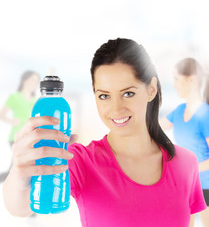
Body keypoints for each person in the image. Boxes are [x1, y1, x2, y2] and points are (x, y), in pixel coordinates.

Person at [3, 39, 206, 226]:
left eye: (128, 93)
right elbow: (19, 206)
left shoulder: (186, 163)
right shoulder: (80, 160)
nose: (116, 109)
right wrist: (19, 172)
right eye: (104, 96)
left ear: (151, 89)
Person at [160, 58, 209, 227]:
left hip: (205, 186)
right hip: (184, 185)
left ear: (191, 79)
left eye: (176, 79)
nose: (174, 85)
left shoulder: (205, 115)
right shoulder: (179, 111)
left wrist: (189, 169)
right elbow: (152, 131)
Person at [0, 71, 39, 182]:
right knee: (16, 166)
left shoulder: (34, 99)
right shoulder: (14, 97)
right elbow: (2, 114)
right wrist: (12, 121)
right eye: (32, 80)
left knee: (21, 164)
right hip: (16, 136)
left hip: (30, 136)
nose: (34, 83)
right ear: (24, 81)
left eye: (36, 81)